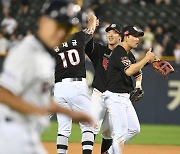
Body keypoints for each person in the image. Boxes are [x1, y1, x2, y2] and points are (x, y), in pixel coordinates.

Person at [0, 1, 93, 154]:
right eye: (58, 25)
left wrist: (70, 113)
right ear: (42, 21)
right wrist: (36, 110)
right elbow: (3, 93)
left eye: (67, 28)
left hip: (27, 134)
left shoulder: (46, 54)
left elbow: (37, 98)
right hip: (12, 135)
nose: (61, 33)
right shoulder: (27, 52)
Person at [103, 26, 157, 154]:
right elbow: (129, 71)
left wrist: (138, 85)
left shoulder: (128, 54)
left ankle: (109, 152)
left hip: (124, 97)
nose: (137, 39)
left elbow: (137, 73)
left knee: (134, 129)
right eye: (135, 36)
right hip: (115, 97)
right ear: (126, 37)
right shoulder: (118, 52)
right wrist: (146, 58)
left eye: (138, 37)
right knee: (120, 134)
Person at [53, 13, 98, 154]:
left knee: (63, 129)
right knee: (88, 125)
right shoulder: (78, 37)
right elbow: (91, 29)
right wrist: (92, 18)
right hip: (76, 85)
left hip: (59, 88)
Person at [85, 23, 122, 153]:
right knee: (92, 126)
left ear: (121, 36)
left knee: (108, 132)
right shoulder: (100, 50)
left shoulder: (125, 55)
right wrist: (91, 26)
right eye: (108, 32)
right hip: (98, 95)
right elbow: (87, 44)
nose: (110, 35)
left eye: (114, 32)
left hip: (114, 97)